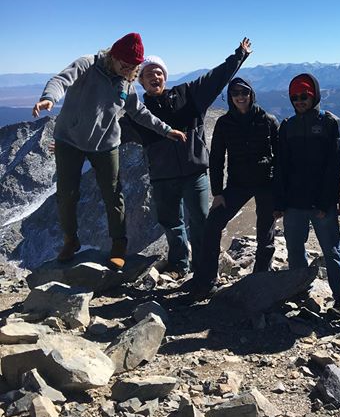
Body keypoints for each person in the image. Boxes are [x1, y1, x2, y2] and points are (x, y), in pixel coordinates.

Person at [32, 32, 186, 269]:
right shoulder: (88, 64)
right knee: (66, 194)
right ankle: (70, 240)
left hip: (105, 144)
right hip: (69, 139)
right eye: (124, 65)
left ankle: (119, 245)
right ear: (112, 56)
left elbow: (139, 112)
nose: (127, 71)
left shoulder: (127, 82)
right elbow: (61, 80)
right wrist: (48, 98)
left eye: (132, 68)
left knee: (113, 195)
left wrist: (166, 130)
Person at [123, 37, 251, 279]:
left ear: (165, 76)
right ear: (140, 81)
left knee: (202, 222)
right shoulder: (137, 115)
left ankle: (203, 270)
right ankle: (180, 265)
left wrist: (239, 56)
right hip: (163, 178)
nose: (154, 77)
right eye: (148, 74)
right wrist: (74, 142)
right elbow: (110, 133)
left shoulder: (188, 94)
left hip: (194, 173)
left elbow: (216, 78)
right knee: (172, 223)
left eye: (158, 72)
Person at [190, 77, 279, 297]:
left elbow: (282, 159)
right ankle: (206, 281)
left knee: (265, 234)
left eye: (244, 92)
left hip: (266, 183)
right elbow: (217, 159)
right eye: (235, 93)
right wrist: (217, 193)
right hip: (237, 184)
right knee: (213, 225)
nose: (240, 96)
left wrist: (281, 194)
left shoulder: (268, 120)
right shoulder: (224, 123)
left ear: (251, 94)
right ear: (230, 97)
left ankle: (260, 281)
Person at [273, 74, 340, 319]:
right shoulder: (287, 126)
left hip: (321, 203)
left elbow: (334, 165)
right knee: (295, 249)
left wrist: (326, 201)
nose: (299, 101)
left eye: (304, 96)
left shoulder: (329, 123)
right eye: (294, 97)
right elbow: (281, 166)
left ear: (314, 95)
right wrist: (279, 202)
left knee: (332, 250)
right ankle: (299, 290)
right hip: (294, 202)